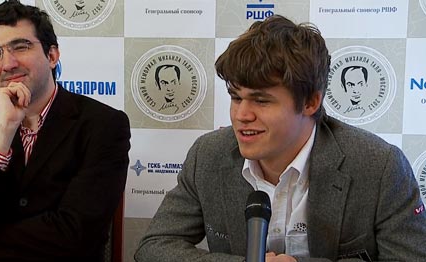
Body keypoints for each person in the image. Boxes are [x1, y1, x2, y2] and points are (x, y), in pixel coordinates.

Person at [135, 15, 426, 262]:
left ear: (311, 102)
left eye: (261, 101)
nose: (241, 115)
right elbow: (154, 248)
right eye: (236, 98)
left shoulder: (380, 166)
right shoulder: (208, 155)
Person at [0, 1, 130, 261]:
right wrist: (0, 136)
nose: (8, 63)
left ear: (52, 55)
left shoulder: (104, 125)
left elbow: (77, 235)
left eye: (20, 47)